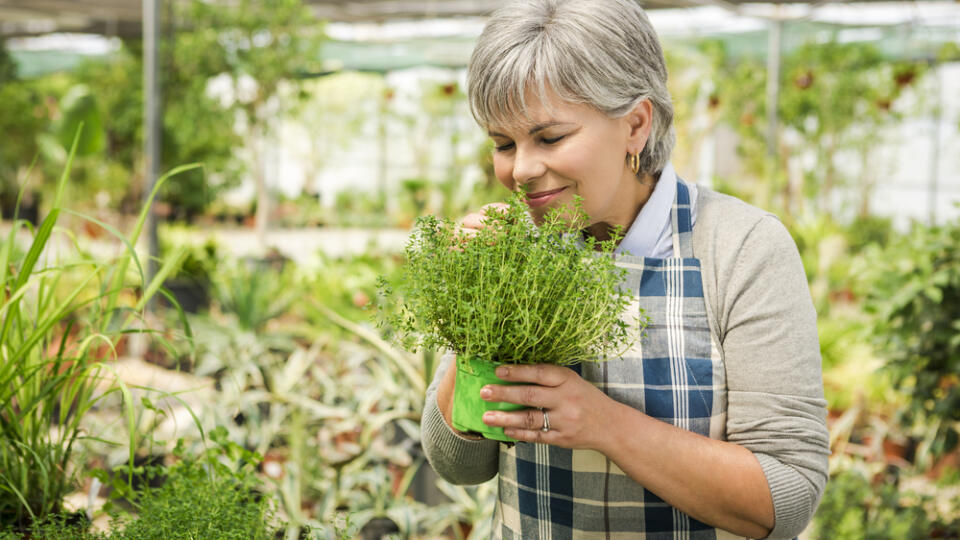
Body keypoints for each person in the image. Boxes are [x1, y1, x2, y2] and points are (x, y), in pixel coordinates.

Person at [420, 0, 830, 538]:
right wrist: (474, 316)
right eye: (503, 143)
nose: (520, 169)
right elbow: (457, 463)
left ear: (637, 124)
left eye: (549, 137)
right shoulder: (513, 250)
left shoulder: (741, 246)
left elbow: (786, 496)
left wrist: (602, 423)